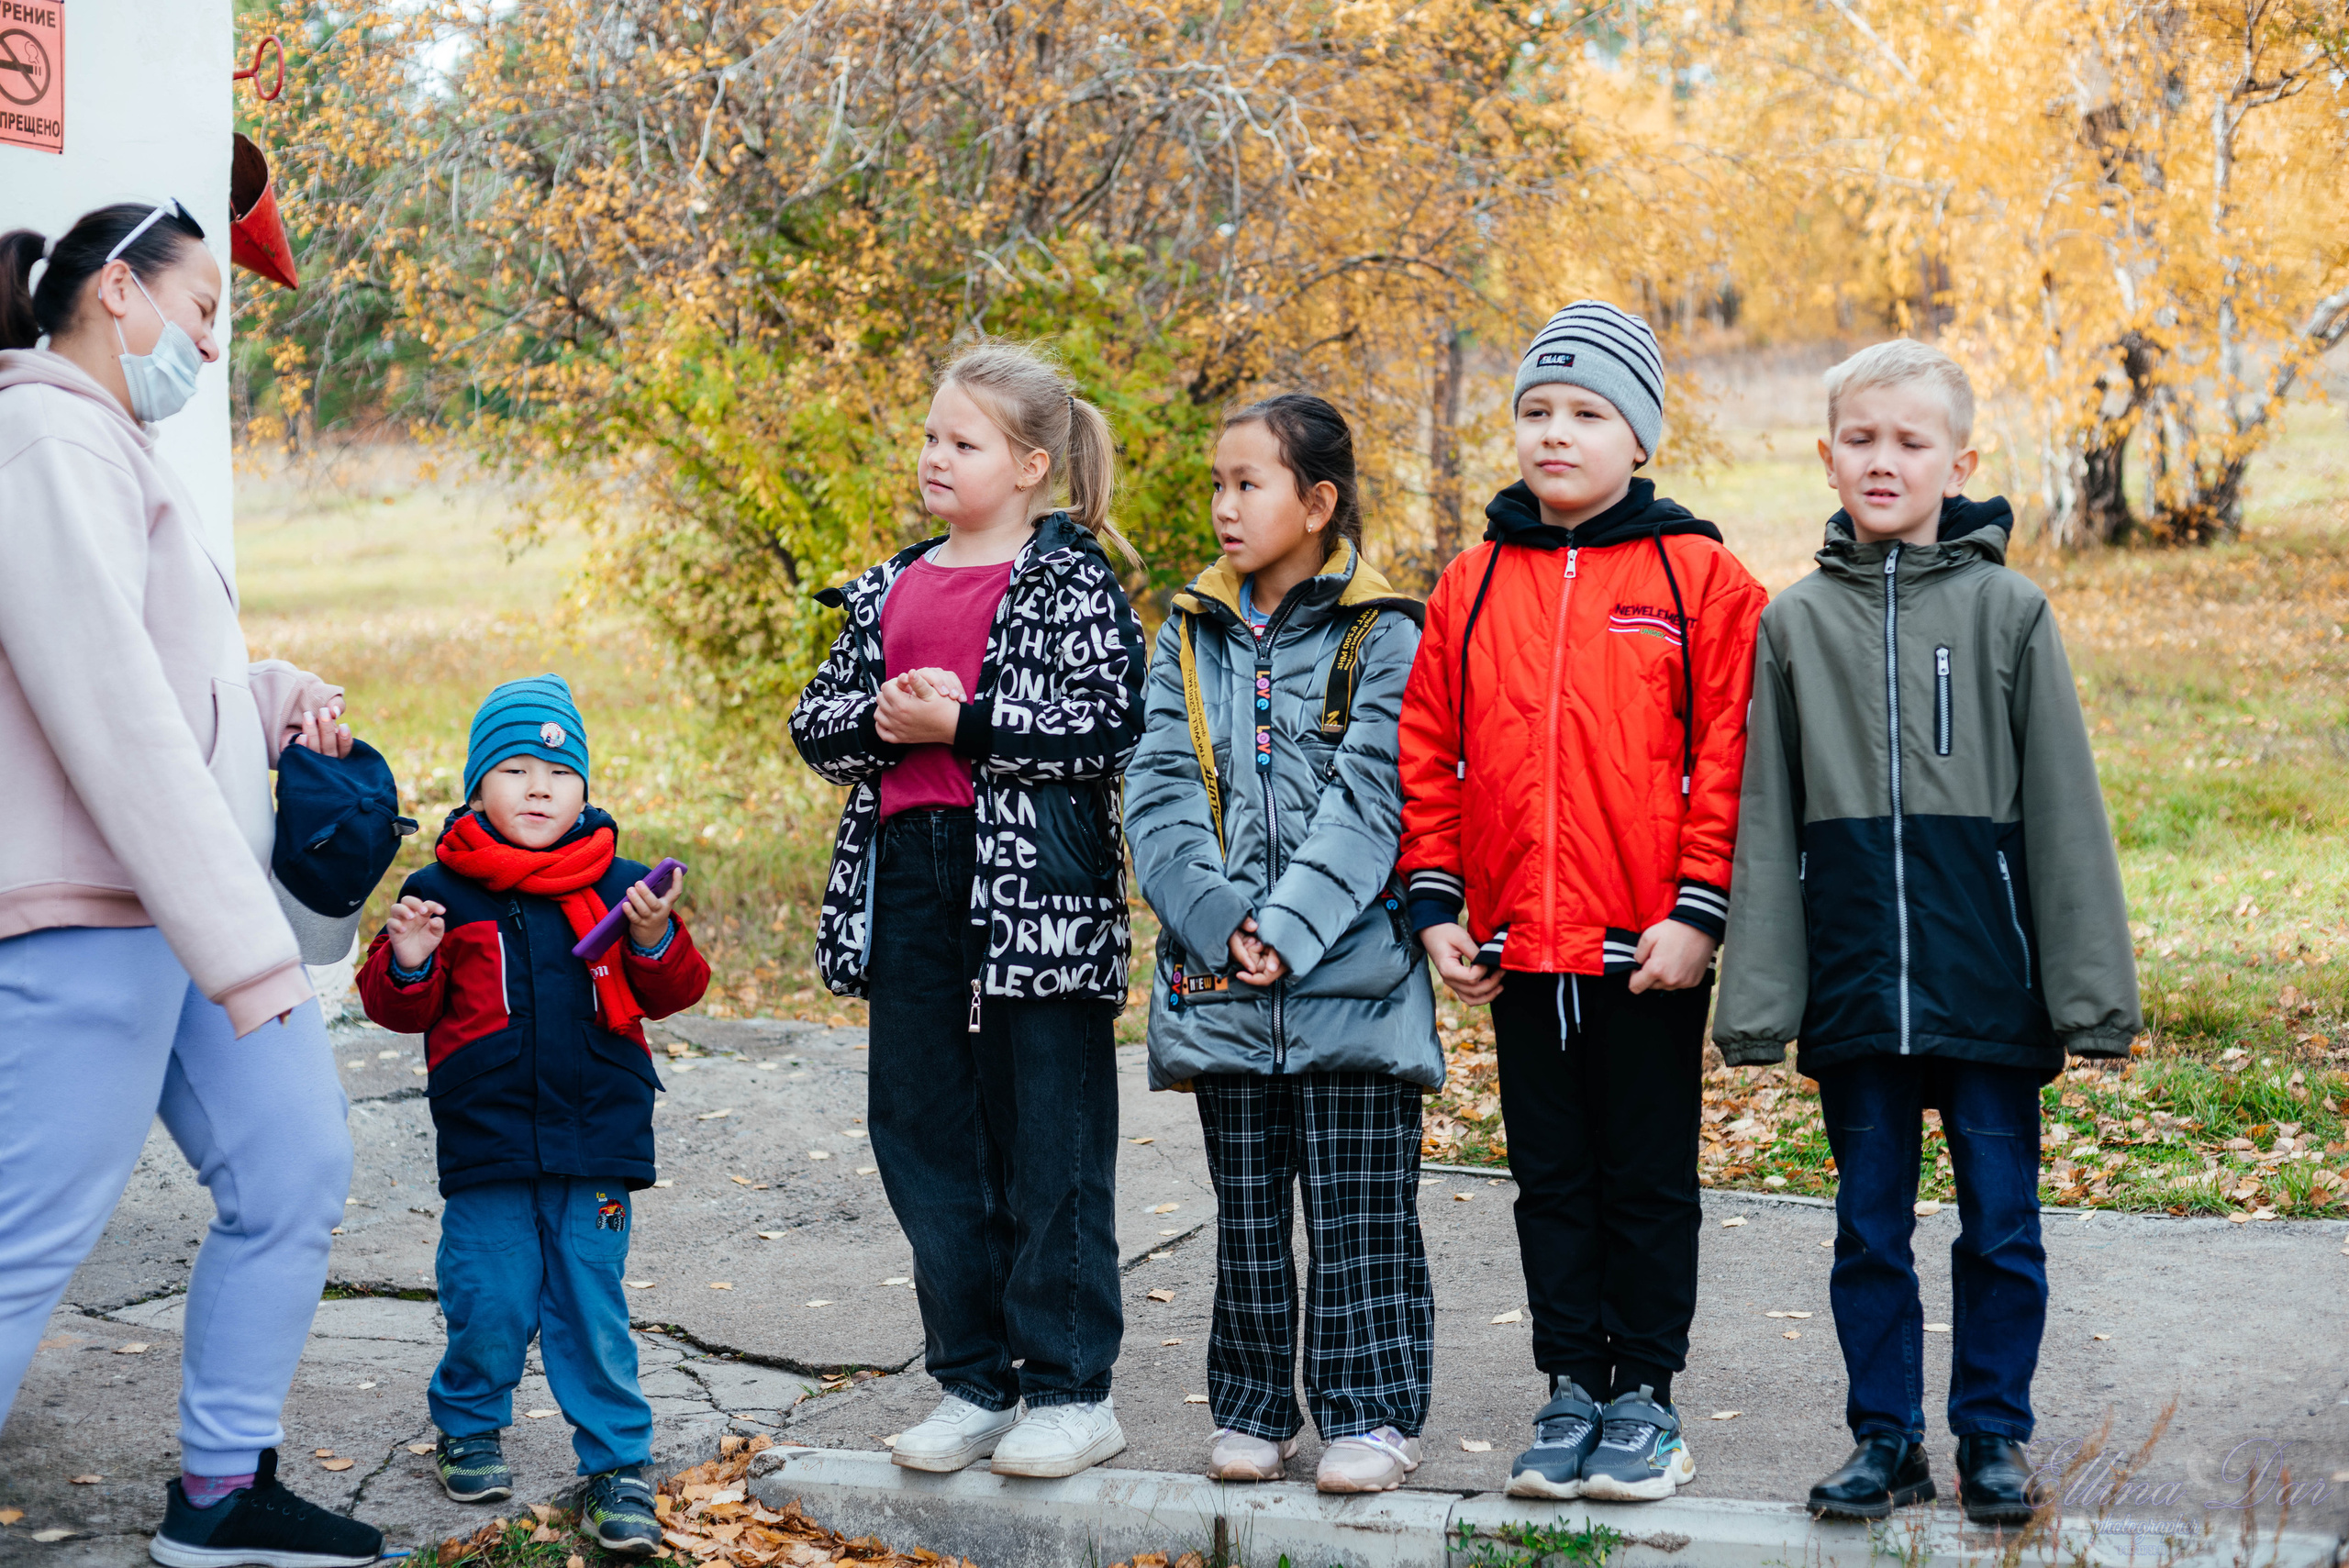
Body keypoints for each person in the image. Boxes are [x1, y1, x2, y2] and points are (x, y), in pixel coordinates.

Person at [0, 202, 386, 1568]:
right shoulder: (44, 433)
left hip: (183, 921)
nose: (215, 341)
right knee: (24, 1244)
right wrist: (246, 945)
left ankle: (221, 1495)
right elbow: (102, 706)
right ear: (119, 290)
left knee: (295, 1168)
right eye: (207, 308)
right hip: (96, 922)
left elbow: (155, 674)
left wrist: (265, 691)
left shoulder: (117, 440)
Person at [1712, 339, 2142, 1528]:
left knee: (2002, 1223)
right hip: (1857, 988)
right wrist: (1757, 997)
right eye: (1862, 439)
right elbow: (1763, 823)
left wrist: (2091, 992)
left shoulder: (2010, 610)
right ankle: (1884, 1436)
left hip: (1990, 983)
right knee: (1868, 1228)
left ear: (1960, 460)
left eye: (1910, 441)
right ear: (1826, 456)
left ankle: (1993, 1436)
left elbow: (2064, 813)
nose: (1884, 460)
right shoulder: (1793, 623)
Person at [1397, 301, 1768, 1504]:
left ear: (1641, 438)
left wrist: (1700, 908)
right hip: (1521, 945)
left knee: (1647, 1176)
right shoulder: (1470, 579)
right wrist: (1438, 898)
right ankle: (1571, 1387)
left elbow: (1734, 749)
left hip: (1644, 944)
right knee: (1549, 1176)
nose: (1557, 433)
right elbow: (1429, 747)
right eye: (1537, 411)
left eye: (1588, 413)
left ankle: (1646, 1400)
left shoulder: (1698, 575)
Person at [788, 340, 1148, 1480]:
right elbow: (817, 722)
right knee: (922, 1132)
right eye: (931, 435)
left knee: (1049, 1132)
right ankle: (975, 1379)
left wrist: (967, 724)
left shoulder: (1070, 576)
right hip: (908, 873)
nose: (934, 455)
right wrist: (886, 720)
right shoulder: (892, 580)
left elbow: (1108, 724)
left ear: (1032, 464)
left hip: (1037, 886)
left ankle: (1070, 1387)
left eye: (962, 441)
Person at [1126, 394, 1439, 1493]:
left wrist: (1290, 927)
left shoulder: (1384, 630)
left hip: (1352, 975)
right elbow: (1157, 785)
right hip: (1222, 980)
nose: (1223, 505)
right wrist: (1220, 921)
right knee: (1249, 1210)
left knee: (1360, 1207)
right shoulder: (1187, 628)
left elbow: (1374, 801)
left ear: (1316, 502)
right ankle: (1256, 1406)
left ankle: (1371, 1412)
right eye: (1217, 482)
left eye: (1246, 484)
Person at [355, 674, 707, 1555]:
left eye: (558, 772)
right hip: (490, 1138)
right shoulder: (442, 891)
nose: (538, 787)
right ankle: (470, 1425)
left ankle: (618, 1463)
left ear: (586, 788)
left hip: (598, 1137)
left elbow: (677, 991)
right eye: (512, 770)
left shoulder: (624, 886)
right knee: (489, 1292)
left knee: (592, 1301)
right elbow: (398, 1007)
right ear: (477, 787)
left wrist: (653, 939)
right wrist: (407, 957)